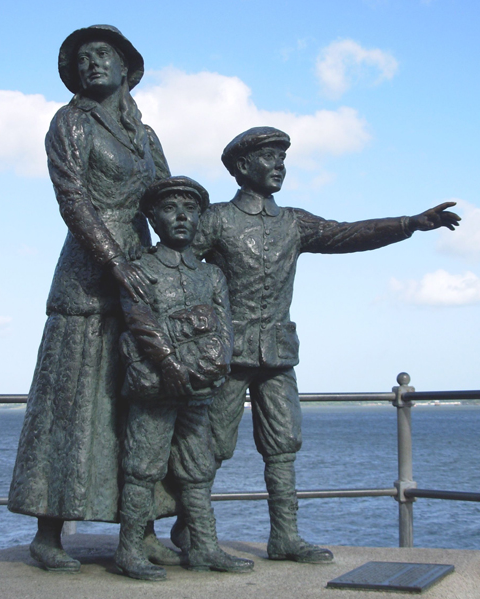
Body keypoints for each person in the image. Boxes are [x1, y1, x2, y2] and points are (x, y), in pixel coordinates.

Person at [176, 126, 460, 563]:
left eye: (282, 159)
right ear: (241, 167)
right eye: (268, 158)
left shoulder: (294, 222)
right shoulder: (215, 220)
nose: (279, 166)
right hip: (226, 355)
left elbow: (347, 234)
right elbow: (177, 269)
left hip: (278, 353)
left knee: (284, 442)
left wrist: (409, 224)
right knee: (213, 444)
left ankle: (284, 537)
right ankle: (191, 529)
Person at [8, 25, 175, 572]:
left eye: (103, 55)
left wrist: (190, 262)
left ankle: (142, 527)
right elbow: (73, 199)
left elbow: (170, 203)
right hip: (87, 275)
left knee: (139, 399)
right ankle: (48, 531)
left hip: (143, 273)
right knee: (72, 402)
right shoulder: (70, 122)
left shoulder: (147, 138)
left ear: (127, 67)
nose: (92, 63)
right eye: (83, 58)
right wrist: (114, 261)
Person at [114, 176, 254, 580]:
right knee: (142, 469)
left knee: (198, 469)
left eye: (190, 210)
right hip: (156, 389)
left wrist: (214, 367)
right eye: (171, 209)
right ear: (153, 217)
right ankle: (130, 550)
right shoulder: (139, 269)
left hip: (198, 390)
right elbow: (140, 321)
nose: (181, 217)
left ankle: (205, 547)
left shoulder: (210, 276)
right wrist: (171, 367)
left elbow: (224, 329)